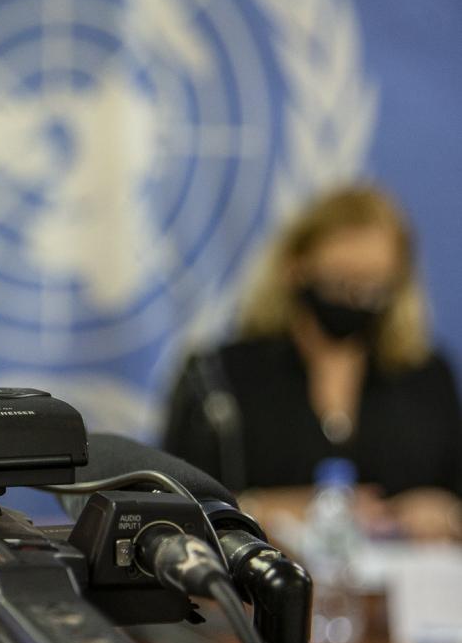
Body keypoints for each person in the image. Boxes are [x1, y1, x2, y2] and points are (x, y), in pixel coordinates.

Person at [162, 182, 461, 538]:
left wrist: (446, 514)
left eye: (373, 288)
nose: (355, 299)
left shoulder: (426, 377)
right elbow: (176, 508)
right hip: (263, 570)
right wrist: (265, 509)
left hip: (410, 570)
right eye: (340, 281)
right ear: (296, 267)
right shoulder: (219, 378)